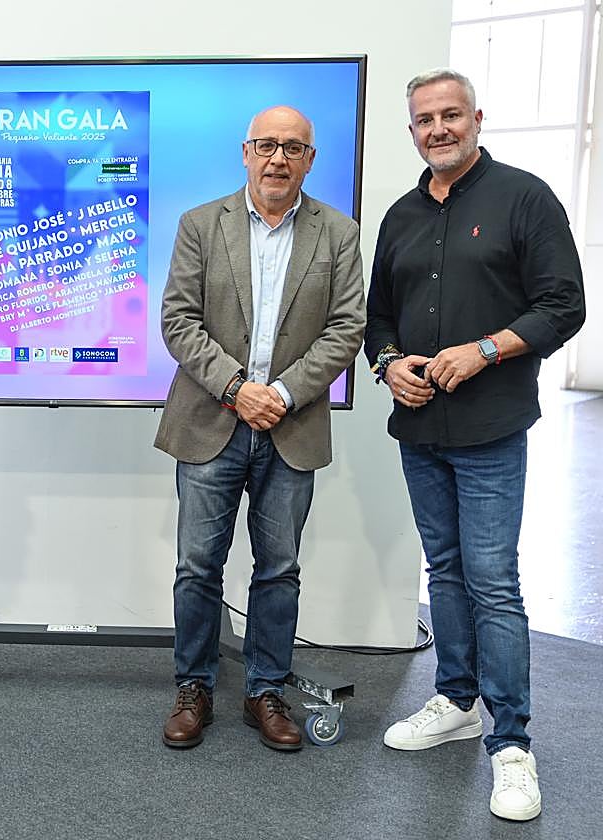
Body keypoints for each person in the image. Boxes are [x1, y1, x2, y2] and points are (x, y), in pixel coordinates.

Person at [365, 68, 585, 822]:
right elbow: (378, 319)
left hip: (491, 427)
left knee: (493, 579)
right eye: (425, 119)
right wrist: (390, 365)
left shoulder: (524, 197)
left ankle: (512, 744)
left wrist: (485, 349)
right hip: (419, 428)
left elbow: (565, 305)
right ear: (413, 130)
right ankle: (456, 700)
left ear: (476, 118)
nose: (439, 128)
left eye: (450, 114)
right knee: (447, 569)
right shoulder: (398, 214)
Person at [155, 106, 366, 752]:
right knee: (197, 566)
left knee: (279, 569)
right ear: (245, 153)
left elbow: (347, 327)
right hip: (209, 421)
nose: (278, 158)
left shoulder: (339, 233)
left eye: (293, 148)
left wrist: (278, 393)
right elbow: (177, 320)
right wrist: (236, 388)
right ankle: (194, 687)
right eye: (267, 146)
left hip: (290, 425)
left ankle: (264, 691)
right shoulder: (200, 225)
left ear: (310, 159)